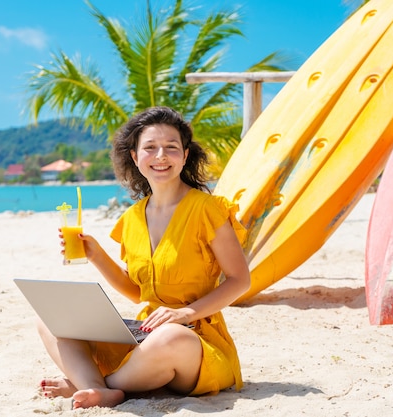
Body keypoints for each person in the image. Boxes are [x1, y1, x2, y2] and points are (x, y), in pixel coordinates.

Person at [38, 106, 251, 409]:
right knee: (51, 318)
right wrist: (96, 255)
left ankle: (90, 384)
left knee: (169, 338)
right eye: (150, 148)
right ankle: (102, 387)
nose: (161, 155)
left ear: (185, 156)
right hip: (144, 333)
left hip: (193, 339)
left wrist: (185, 314)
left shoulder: (208, 209)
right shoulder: (132, 218)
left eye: (171, 148)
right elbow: (138, 293)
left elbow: (240, 280)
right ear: (135, 158)